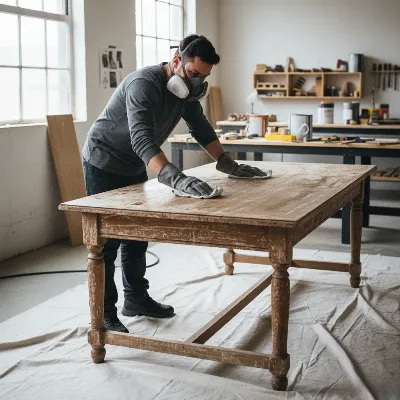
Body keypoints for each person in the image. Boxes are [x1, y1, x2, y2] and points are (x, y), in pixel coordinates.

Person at [82, 34, 267, 333]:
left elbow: (201, 128)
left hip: (132, 164)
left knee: (136, 235)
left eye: (203, 77)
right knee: (107, 243)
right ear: (177, 61)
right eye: (194, 74)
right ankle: (104, 313)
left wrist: (226, 162)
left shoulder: (186, 94)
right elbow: (141, 139)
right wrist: (175, 178)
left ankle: (136, 299)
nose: (197, 83)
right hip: (103, 160)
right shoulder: (144, 84)